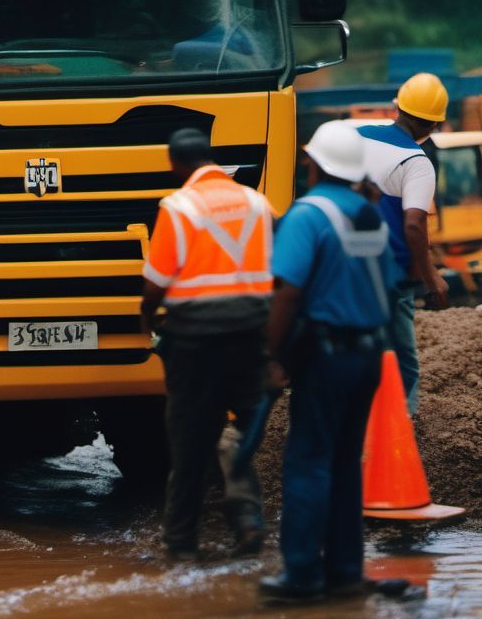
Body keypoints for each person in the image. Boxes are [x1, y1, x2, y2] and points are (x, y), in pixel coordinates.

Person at [260, 120, 400, 602]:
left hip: (325, 356)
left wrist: (271, 355)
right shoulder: (371, 216)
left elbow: (287, 292)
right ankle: (343, 571)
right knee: (343, 464)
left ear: (312, 161)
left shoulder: (309, 214)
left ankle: (300, 575)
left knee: (309, 462)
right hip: (367, 356)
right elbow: (387, 283)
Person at [141, 127, 275, 559]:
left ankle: (181, 546)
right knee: (241, 435)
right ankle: (250, 525)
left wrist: (148, 319)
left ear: (175, 164)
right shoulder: (257, 202)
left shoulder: (178, 207)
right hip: (251, 337)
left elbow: (157, 282)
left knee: (190, 445)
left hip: (195, 342)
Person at [355, 72, 450, 413]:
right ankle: (399, 429)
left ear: (397, 107)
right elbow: (413, 225)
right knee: (403, 361)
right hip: (389, 274)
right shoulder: (416, 162)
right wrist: (431, 276)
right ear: (434, 126)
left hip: (347, 264)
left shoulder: (356, 136)